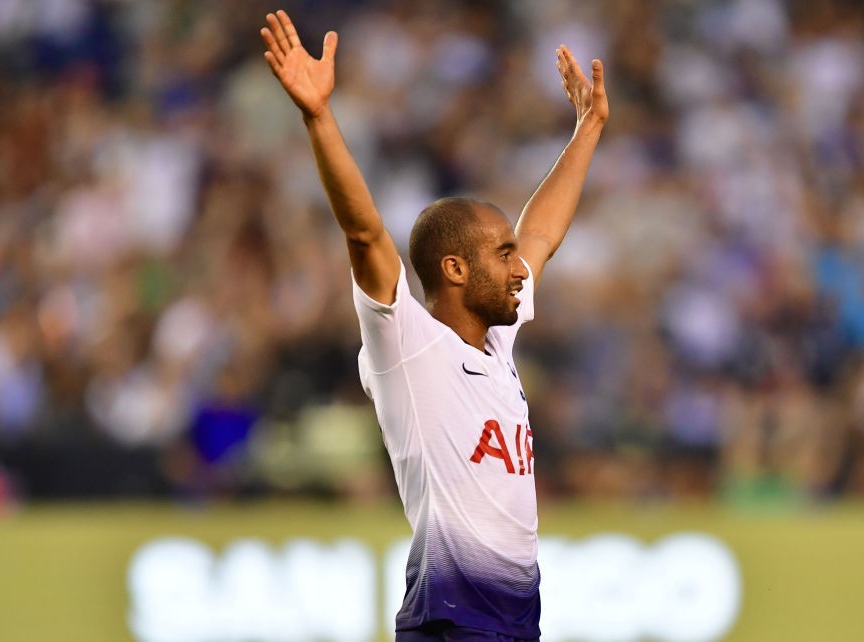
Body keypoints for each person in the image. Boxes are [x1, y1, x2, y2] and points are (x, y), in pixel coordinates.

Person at [260, 9, 608, 641]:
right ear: (453, 268)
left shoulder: (497, 340)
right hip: (451, 620)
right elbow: (364, 232)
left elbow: (543, 234)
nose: (517, 266)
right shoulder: (409, 345)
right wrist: (319, 115)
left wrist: (587, 129)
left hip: (513, 622)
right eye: (500, 254)